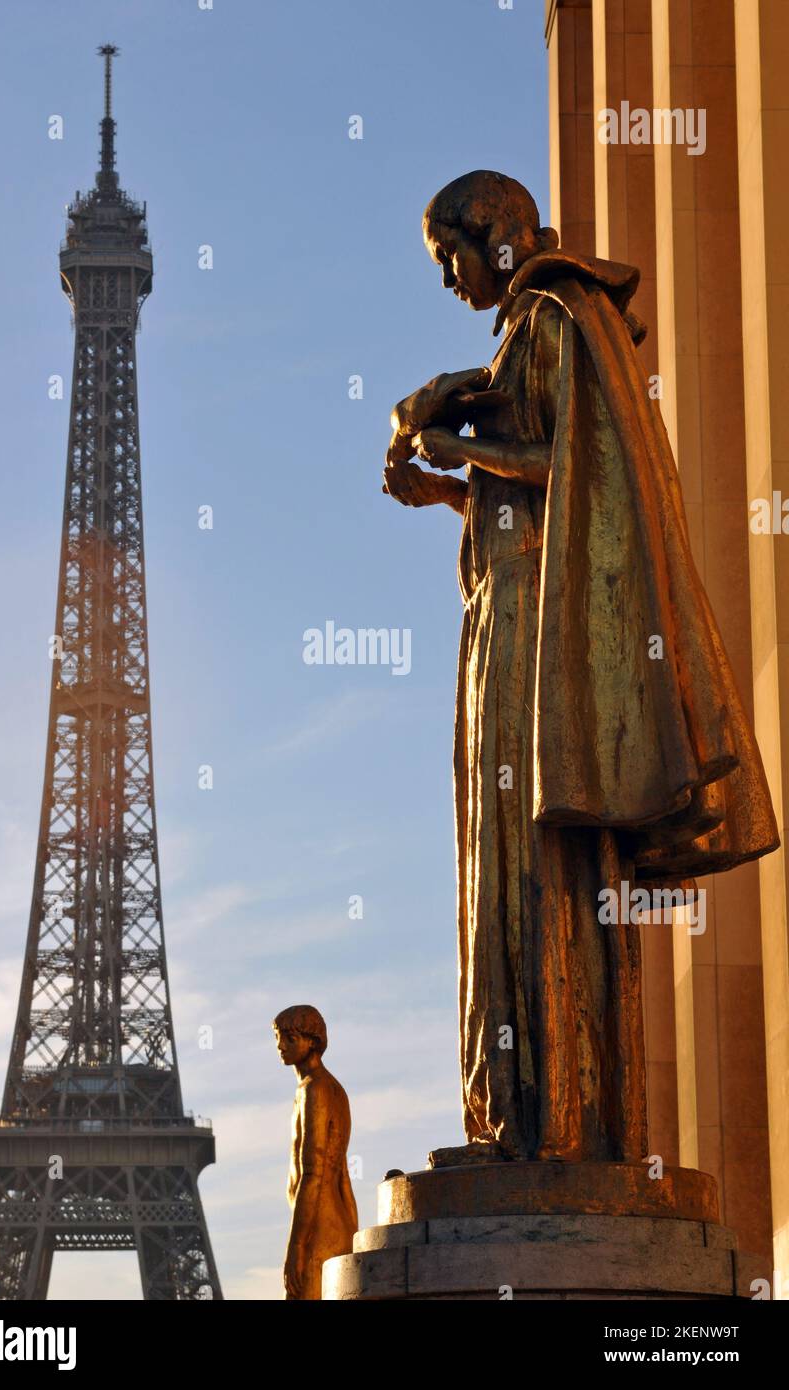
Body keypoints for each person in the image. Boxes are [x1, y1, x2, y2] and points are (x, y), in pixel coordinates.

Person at [383, 171, 778, 1161]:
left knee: (538, 864)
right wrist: (444, 488)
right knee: (504, 869)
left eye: (449, 258)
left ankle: (554, 1126)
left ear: (496, 239)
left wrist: (450, 439)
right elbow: (534, 497)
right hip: (510, 621)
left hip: (540, 631)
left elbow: (583, 472)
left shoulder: (560, 311)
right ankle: (519, 1116)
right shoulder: (530, 332)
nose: (448, 282)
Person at [273, 1005, 358, 1298]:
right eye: (278, 1037)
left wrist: (296, 1246)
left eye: (290, 1038)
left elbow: (313, 1172)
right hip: (332, 1222)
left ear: (313, 1041)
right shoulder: (331, 1087)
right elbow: (343, 1175)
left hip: (316, 1227)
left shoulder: (314, 1089)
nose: (280, 1045)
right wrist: (352, 1234)